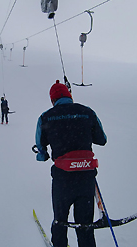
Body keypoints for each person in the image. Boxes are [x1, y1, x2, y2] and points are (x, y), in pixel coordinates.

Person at [34, 80, 107, 247]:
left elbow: (41, 149)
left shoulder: (45, 117)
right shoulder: (88, 112)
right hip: (86, 178)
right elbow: (102, 139)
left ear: (52, 100)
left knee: (60, 221)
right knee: (85, 225)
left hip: (63, 180)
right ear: (70, 96)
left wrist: (43, 155)